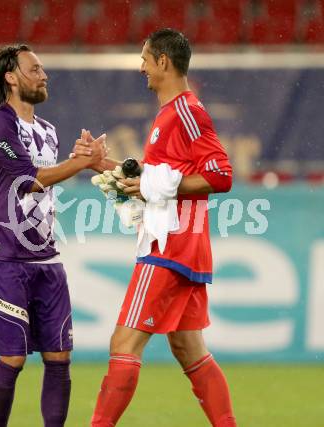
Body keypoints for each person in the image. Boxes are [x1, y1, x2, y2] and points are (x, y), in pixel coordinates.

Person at [78, 29, 237, 426]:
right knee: (188, 347)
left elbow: (221, 175)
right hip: (186, 246)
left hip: (171, 246)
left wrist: (157, 184)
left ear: (163, 61)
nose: (142, 67)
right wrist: (101, 164)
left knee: (124, 342)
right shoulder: (170, 114)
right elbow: (153, 183)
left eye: (146, 58)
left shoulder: (186, 112)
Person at [0, 44, 105, 427]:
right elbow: (29, 180)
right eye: (34, 69)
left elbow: (50, 179)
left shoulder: (48, 131)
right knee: (13, 358)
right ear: (11, 78)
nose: (43, 75)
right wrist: (80, 162)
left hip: (46, 259)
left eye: (43, 68)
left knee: (59, 357)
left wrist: (83, 159)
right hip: (3, 256)